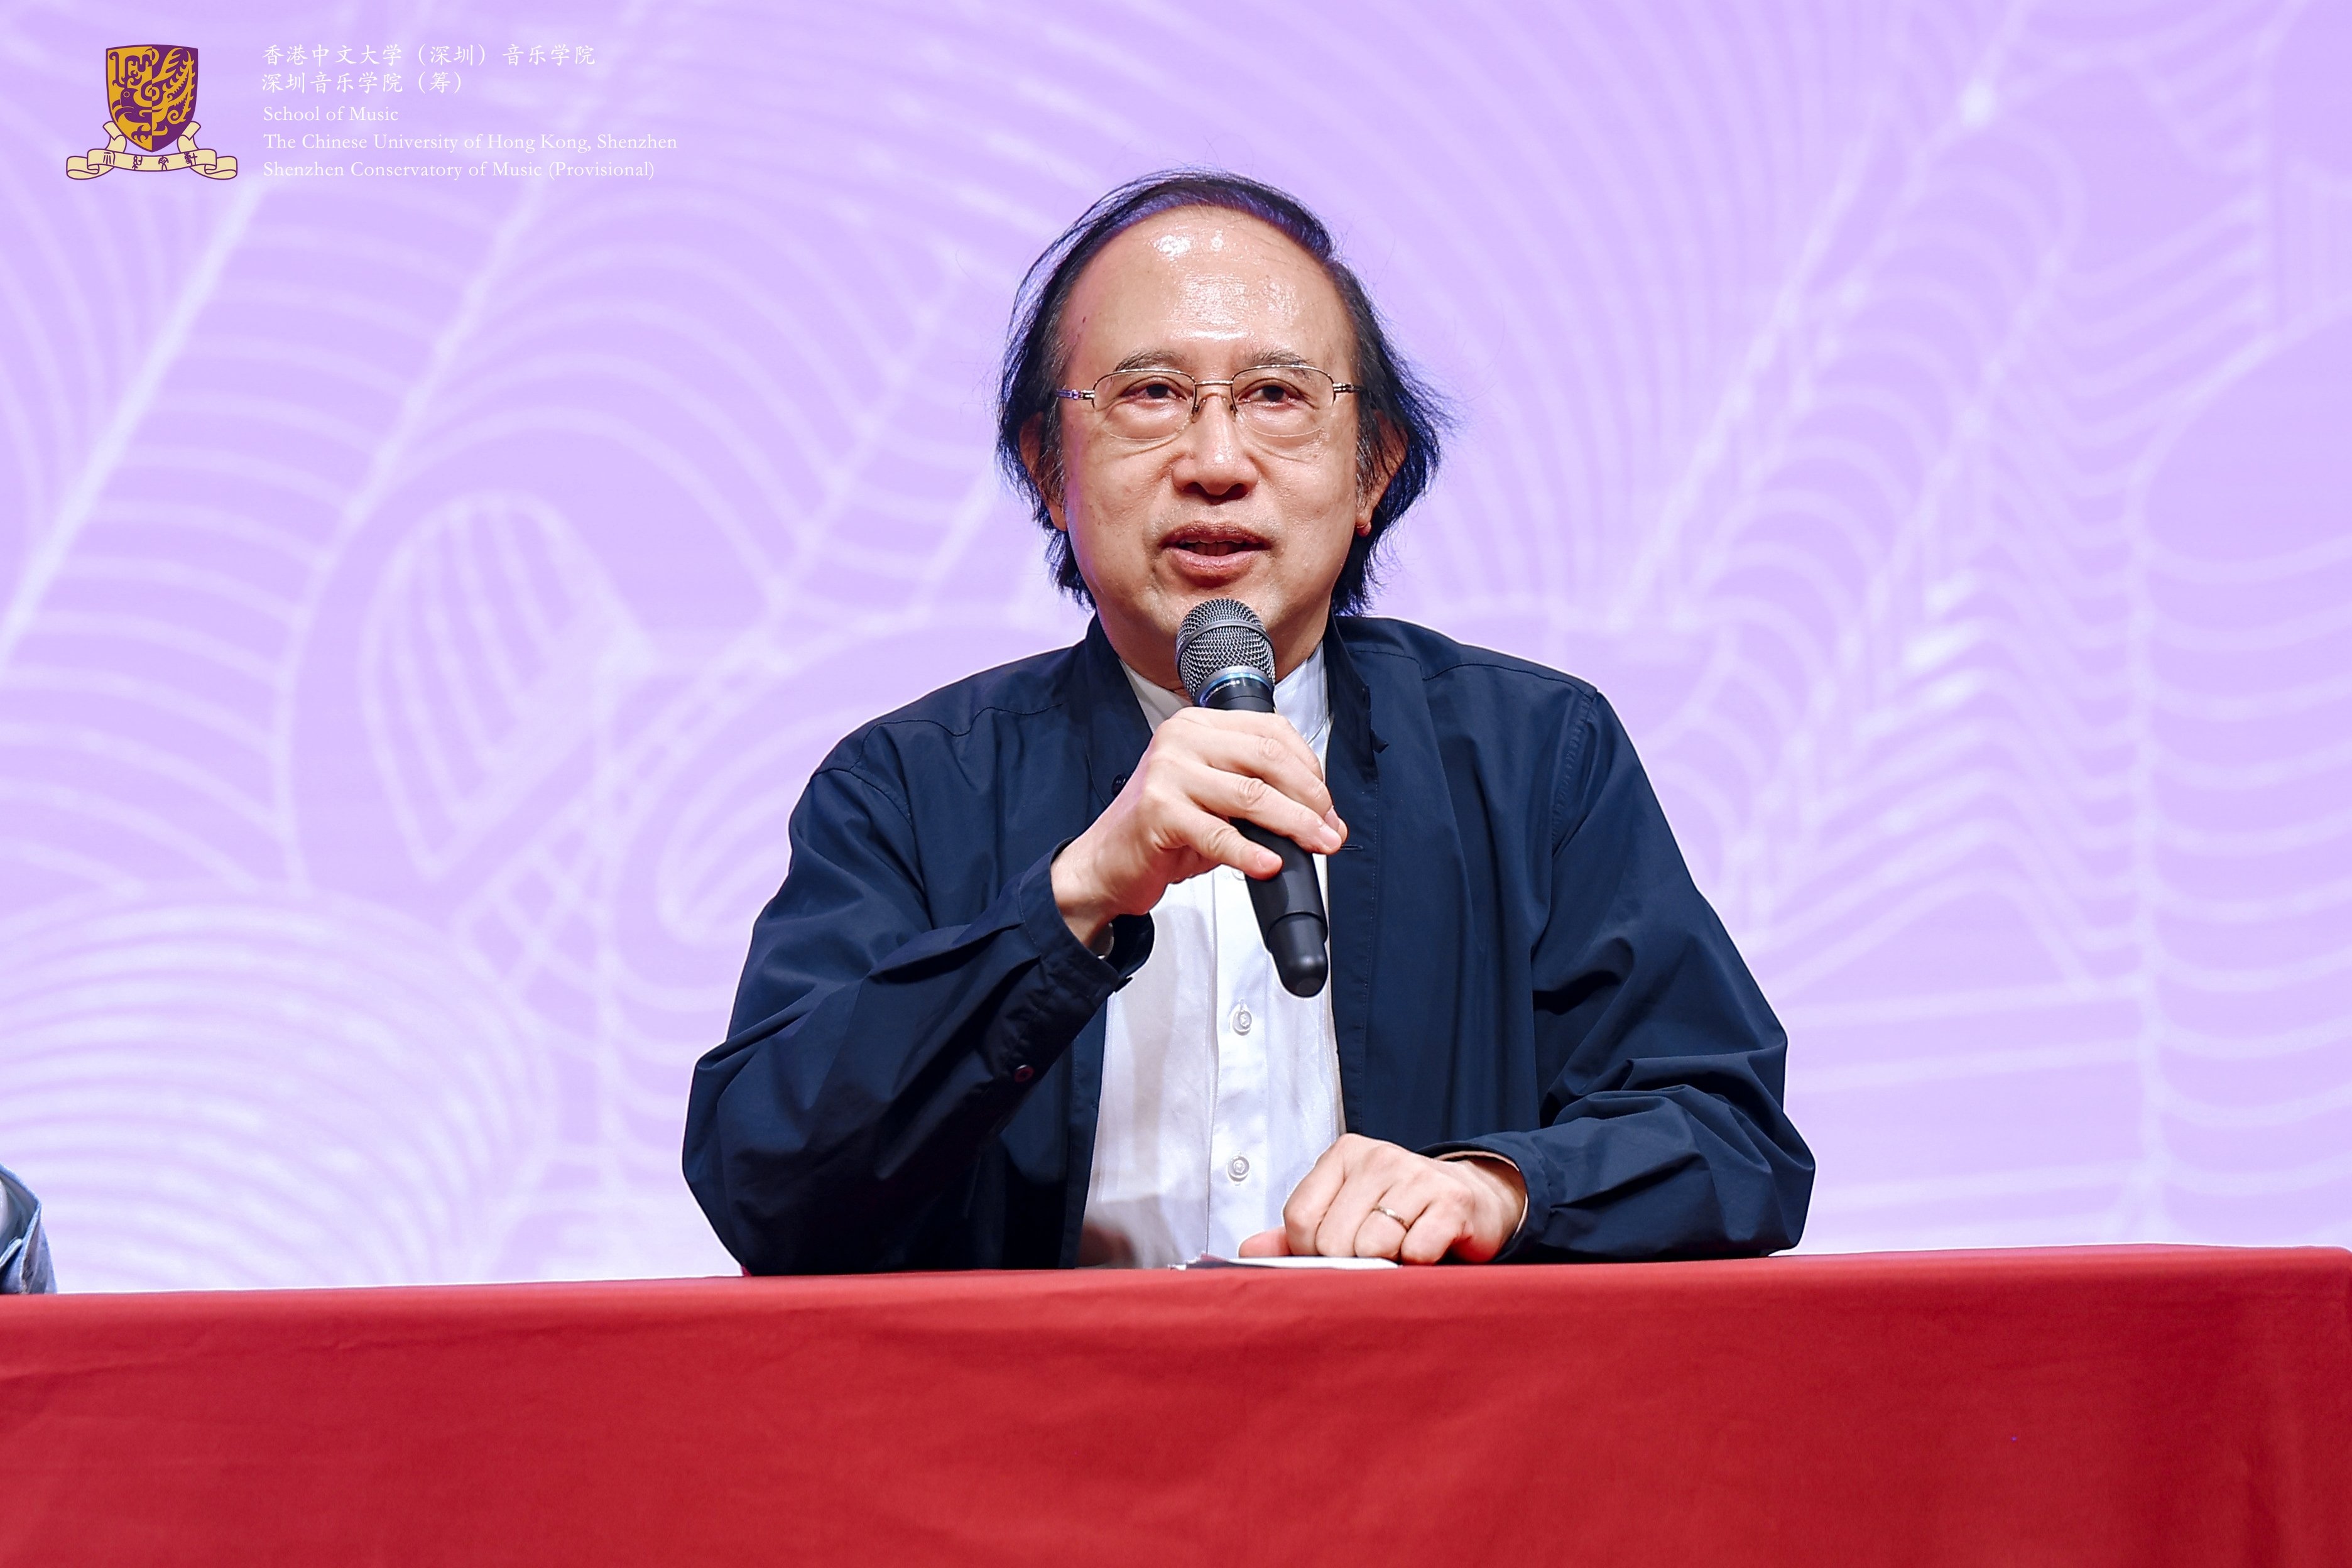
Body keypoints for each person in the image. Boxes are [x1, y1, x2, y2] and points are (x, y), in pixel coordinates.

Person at [684, 172, 1812, 1273]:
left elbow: (1731, 1137)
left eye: (1277, 396)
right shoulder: (907, 787)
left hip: (1419, 1397)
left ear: (1373, 468)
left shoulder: (1533, 758)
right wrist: (1075, 900)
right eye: (1149, 395)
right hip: (1039, 1399)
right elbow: (764, 1178)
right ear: (1045, 467)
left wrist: (1497, 1188)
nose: (1217, 465)